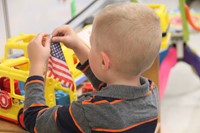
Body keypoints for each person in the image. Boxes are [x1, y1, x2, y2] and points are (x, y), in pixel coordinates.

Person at [24, 2, 161, 133]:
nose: (90, 49)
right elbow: (109, 87)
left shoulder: (88, 112)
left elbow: (35, 121)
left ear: (103, 61)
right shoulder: (151, 93)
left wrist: (37, 64)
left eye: (91, 46)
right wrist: (77, 46)